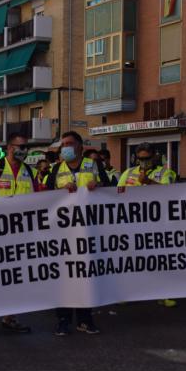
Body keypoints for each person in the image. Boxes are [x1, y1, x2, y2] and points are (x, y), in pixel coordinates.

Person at [46, 131, 107, 336]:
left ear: (80, 146)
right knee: (64, 277)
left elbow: (109, 188)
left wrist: (97, 185)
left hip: (88, 229)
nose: (65, 147)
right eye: (63, 144)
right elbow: (46, 198)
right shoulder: (56, 169)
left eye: (70, 143)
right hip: (63, 233)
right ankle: (63, 320)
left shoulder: (93, 165)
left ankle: (85, 319)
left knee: (85, 275)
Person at [0, 133, 37, 336]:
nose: (24, 151)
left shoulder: (29, 170)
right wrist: (7, 205)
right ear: (10, 148)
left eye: (26, 147)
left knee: (16, 277)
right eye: (20, 147)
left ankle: (10, 317)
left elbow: (41, 198)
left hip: (21, 234)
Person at [118, 142, 178, 307]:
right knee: (129, 260)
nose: (143, 161)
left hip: (157, 224)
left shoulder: (165, 172)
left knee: (160, 260)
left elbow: (171, 193)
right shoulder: (128, 173)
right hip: (131, 223)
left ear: (154, 157)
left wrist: (148, 182)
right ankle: (127, 292)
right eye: (140, 158)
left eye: (147, 158)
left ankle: (164, 293)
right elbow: (116, 194)